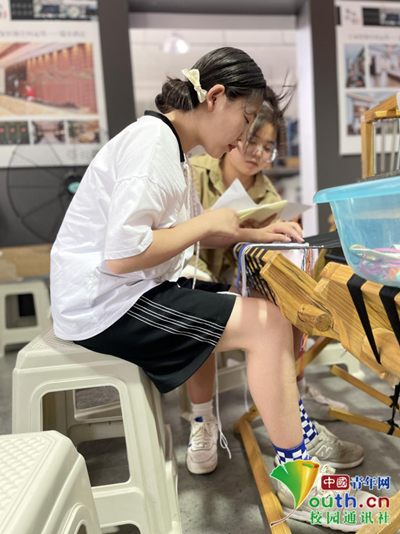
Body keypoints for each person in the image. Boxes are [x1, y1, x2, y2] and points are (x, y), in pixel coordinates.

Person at [50, 47, 379, 530]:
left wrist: (249, 231)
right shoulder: (152, 146)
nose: (243, 138)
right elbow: (121, 255)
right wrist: (207, 223)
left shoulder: (168, 145)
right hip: (106, 305)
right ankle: (302, 485)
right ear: (216, 96)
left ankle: (295, 435)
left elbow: (177, 234)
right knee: (264, 323)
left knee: (267, 308)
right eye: (244, 120)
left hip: (121, 292)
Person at [185, 102, 349, 427]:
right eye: (252, 141)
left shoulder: (269, 195)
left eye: (268, 148)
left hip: (237, 276)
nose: (258, 154)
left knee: (288, 297)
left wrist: (282, 235)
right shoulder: (195, 171)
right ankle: (202, 417)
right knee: (198, 296)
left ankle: (294, 396)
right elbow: (178, 231)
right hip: (191, 268)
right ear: (235, 135)